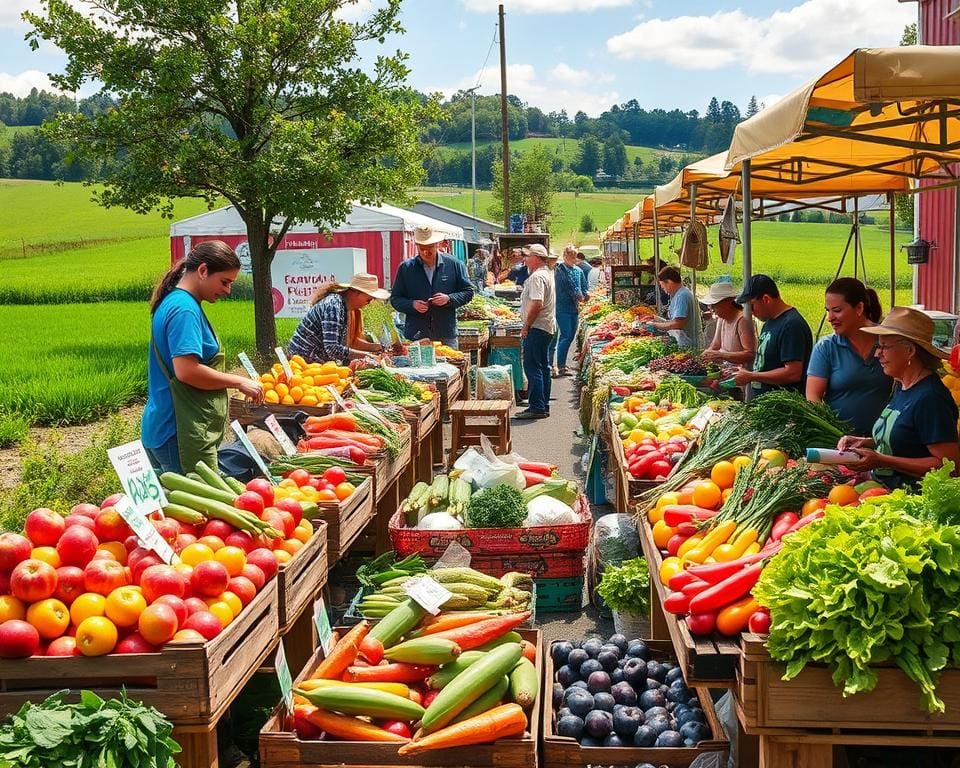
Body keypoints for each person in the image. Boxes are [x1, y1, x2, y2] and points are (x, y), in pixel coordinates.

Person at [142, 240, 264, 474]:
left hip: (165, 425)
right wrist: (238, 381)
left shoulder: (175, 302)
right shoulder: (184, 310)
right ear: (203, 270)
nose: (228, 290)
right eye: (224, 282)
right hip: (178, 430)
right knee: (196, 506)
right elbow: (186, 371)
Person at [837, 307, 959, 489]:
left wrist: (881, 460)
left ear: (910, 351)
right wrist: (867, 442)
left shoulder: (931, 398)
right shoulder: (901, 386)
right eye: (878, 346)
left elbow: (949, 467)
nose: (877, 353)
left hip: (909, 499)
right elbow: (910, 440)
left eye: (884, 346)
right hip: (881, 490)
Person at [806, 278, 891, 436]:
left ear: (859, 308)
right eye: (828, 310)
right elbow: (813, 397)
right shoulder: (826, 347)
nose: (830, 317)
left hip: (885, 442)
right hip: (841, 444)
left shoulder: (888, 340)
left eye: (836, 310)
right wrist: (831, 432)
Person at [390, 225, 474, 348]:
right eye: (422, 248)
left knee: (451, 364)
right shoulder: (406, 268)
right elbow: (395, 299)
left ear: (437, 244)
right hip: (417, 333)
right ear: (417, 245)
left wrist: (449, 299)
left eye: (429, 247)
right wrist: (412, 305)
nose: (425, 252)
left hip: (445, 333)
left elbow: (468, 292)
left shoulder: (454, 264)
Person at [733, 274, 812, 395]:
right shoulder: (769, 322)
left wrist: (751, 376)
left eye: (752, 306)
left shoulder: (791, 325)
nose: (751, 313)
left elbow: (793, 373)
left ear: (766, 299)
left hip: (782, 407)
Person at [288, 273, 391, 364]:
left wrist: (374, 347)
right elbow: (332, 348)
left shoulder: (342, 306)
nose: (369, 303)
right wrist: (369, 356)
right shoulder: (333, 306)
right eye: (368, 299)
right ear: (357, 292)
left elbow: (346, 343)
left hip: (316, 361)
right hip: (302, 362)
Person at [517, 243, 556, 420]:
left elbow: (537, 303)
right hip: (546, 326)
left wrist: (526, 326)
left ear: (537, 258)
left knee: (532, 367)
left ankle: (537, 407)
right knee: (542, 367)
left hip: (537, 327)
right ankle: (542, 403)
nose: (525, 259)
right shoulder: (547, 273)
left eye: (528, 256)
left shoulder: (537, 277)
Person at [699, 281, 756, 368]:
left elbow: (750, 354)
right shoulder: (722, 318)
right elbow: (715, 345)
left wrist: (722, 355)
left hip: (740, 373)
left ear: (728, 302)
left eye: (714, 305)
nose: (712, 309)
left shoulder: (742, 321)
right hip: (724, 369)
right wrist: (706, 355)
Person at [553, 245, 587, 376]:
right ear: (564, 256)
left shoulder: (578, 271)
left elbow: (583, 287)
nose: (572, 259)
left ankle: (562, 364)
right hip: (562, 307)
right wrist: (579, 296)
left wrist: (585, 295)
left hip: (575, 308)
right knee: (566, 336)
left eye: (574, 256)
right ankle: (560, 365)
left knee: (571, 336)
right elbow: (570, 287)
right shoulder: (559, 270)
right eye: (569, 256)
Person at [650, 266, 702, 349]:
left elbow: (678, 324)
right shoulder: (679, 294)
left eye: (663, 287)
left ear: (669, 282)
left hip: (688, 345)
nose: (664, 290)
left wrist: (655, 325)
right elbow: (673, 321)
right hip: (683, 342)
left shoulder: (682, 296)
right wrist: (656, 318)